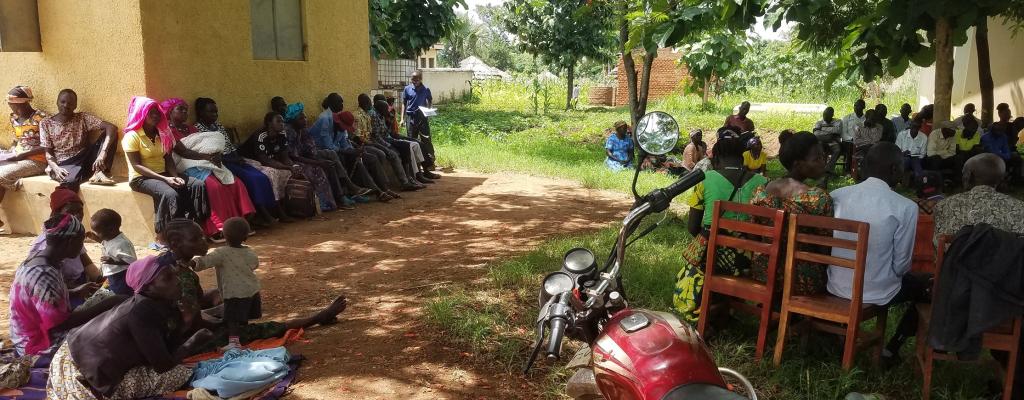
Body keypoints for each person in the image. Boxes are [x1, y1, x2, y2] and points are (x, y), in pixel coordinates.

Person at [161, 219, 348, 348]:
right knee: (252, 329)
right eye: (196, 239)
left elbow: (186, 307)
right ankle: (317, 318)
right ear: (176, 243)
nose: (204, 243)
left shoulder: (167, 263)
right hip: (184, 338)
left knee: (224, 299)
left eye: (203, 236)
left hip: (171, 326)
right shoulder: (182, 277)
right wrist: (219, 323)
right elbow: (191, 322)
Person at [47, 255, 214, 399]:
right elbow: (163, 365)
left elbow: (163, 349)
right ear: (148, 287)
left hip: (71, 353)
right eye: (168, 278)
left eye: (175, 275)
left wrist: (185, 324)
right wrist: (193, 342)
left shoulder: (143, 303)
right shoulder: (142, 312)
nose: (177, 281)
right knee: (177, 374)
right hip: (77, 372)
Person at [827, 143, 925, 366]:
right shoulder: (905, 207)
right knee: (927, 287)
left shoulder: (837, 195)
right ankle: (892, 350)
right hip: (875, 292)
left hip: (834, 284)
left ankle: (839, 337)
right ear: (894, 170)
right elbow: (901, 266)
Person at [673, 136, 768, 322]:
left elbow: (692, 227)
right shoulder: (763, 182)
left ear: (715, 159)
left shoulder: (705, 179)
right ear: (742, 157)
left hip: (714, 256)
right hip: (750, 259)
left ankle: (708, 306)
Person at [9, 214, 124, 357]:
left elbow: (40, 297)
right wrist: (109, 303)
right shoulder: (43, 273)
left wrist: (74, 291)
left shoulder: (41, 260)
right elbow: (60, 324)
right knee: (113, 334)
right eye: (81, 241)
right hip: (39, 343)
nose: (82, 246)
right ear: (70, 242)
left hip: (33, 334)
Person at [160, 98, 256, 242]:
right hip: (186, 165)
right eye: (180, 109)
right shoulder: (167, 131)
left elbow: (207, 145)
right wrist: (207, 157)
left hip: (205, 162)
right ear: (169, 112)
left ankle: (238, 224)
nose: (185, 112)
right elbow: (183, 152)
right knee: (214, 187)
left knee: (234, 182)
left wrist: (214, 155)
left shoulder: (192, 129)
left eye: (186, 109)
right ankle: (217, 228)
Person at [750, 132, 832, 295]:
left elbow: (754, 235)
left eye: (823, 157)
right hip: (802, 279)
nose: (823, 162)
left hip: (764, 271)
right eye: (817, 158)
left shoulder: (760, 192)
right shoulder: (817, 198)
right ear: (797, 164)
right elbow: (825, 248)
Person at [122, 96, 209, 238]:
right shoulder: (132, 136)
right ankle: (167, 235)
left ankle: (193, 225)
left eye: (158, 112)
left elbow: (168, 158)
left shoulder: (163, 133)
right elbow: (136, 165)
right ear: (141, 113)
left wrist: (174, 176)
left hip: (164, 174)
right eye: (151, 113)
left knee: (197, 185)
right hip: (141, 178)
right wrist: (165, 179)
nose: (156, 116)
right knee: (170, 194)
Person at [195, 97, 286, 226]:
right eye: (211, 112)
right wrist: (232, 159)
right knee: (252, 180)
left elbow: (229, 146)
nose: (215, 115)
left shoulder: (218, 126)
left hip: (234, 158)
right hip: (221, 162)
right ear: (201, 113)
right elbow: (209, 153)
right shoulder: (198, 129)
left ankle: (269, 212)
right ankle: (263, 214)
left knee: (262, 177)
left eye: (216, 112)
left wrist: (238, 157)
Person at [194, 218, 262, 350]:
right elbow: (254, 264)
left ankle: (234, 342)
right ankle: (243, 334)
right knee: (242, 315)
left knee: (232, 318)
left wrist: (193, 263)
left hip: (234, 292)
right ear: (246, 237)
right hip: (251, 289)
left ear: (223, 235)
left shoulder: (221, 253)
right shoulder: (249, 252)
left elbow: (206, 261)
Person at [934, 153, 1024, 240]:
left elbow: (937, 243)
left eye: (963, 173)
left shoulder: (944, 206)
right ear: (1001, 178)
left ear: (969, 176)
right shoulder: (1019, 207)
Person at [39, 89, 118, 185]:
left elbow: (111, 127)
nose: (66, 105)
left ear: (75, 105)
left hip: (85, 157)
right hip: (65, 162)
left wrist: (103, 153)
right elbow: (48, 153)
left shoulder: (82, 118)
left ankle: (100, 173)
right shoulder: (46, 123)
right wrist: (55, 168)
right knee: (69, 181)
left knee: (111, 134)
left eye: (70, 103)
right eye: (62, 102)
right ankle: (89, 174)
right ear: (57, 102)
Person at [27, 187, 101, 289]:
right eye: (71, 211)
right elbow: (53, 285)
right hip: (64, 287)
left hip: (80, 283)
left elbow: (88, 264)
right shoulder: (45, 248)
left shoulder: (74, 236)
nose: (77, 216)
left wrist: (101, 281)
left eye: (80, 211)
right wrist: (78, 290)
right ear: (56, 214)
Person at [2, 86, 48, 232]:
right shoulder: (14, 118)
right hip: (17, 157)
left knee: (1, 175)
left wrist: (22, 155)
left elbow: (48, 145)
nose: (12, 108)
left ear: (24, 103)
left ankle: (12, 181)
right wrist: (9, 152)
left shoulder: (41, 118)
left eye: (14, 105)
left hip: (37, 160)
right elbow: (17, 140)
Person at [354, 94, 423, 191]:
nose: (371, 104)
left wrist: (389, 122)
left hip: (377, 140)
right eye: (369, 102)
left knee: (405, 148)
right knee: (391, 154)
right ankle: (400, 183)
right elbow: (373, 136)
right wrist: (386, 146)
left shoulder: (372, 115)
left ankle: (410, 178)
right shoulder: (367, 115)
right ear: (365, 103)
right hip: (370, 142)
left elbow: (385, 132)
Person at [281, 106, 340, 211]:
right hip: (289, 161)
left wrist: (319, 161)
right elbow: (293, 156)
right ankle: (319, 204)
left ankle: (335, 199)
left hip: (302, 158)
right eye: (301, 118)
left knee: (329, 164)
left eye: (305, 117)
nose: (305, 120)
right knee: (315, 170)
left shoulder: (302, 131)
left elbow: (310, 150)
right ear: (292, 120)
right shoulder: (289, 132)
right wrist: (318, 163)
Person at [336, 110, 400, 201]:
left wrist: (356, 147)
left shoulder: (342, 130)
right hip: (339, 155)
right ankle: (378, 192)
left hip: (349, 151)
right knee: (359, 163)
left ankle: (385, 188)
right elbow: (333, 148)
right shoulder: (330, 128)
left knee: (372, 158)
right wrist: (352, 151)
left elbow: (346, 143)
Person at [373, 97, 432, 184]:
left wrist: (389, 122)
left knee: (417, 143)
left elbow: (387, 131)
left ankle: (421, 173)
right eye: (386, 107)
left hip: (391, 136)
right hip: (388, 138)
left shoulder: (383, 115)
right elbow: (378, 135)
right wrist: (388, 145)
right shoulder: (376, 116)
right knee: (408, 146)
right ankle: (411, 177)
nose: (388, 108)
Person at [87, 209, 136, 296]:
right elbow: (107, 244)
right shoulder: (109, 238)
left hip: (121, 275)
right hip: (112, 274)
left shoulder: (123, 243)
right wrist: (96, 238)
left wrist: (114, 261)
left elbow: (132, 261)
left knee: (121, 293)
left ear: (111, 230)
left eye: (98, 232)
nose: (96, 234)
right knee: (112, 289)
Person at [403, 70, 441, 176]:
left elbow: (430, 100)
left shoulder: (425, 89)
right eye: (412, 79)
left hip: (422, 117)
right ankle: (415, 164)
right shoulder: (407, 89)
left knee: (426, 139)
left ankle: (430, 162)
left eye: (416, 79)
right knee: (412, 140)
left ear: (420, 79)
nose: (414, 81)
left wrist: (428, 110)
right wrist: (402, 118)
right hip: (410, 117)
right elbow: (404, 104)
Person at [839, 99, 867, 174]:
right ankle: (848, 170)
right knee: (850, 147)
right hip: (848, 141)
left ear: (863, 107)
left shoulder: (866, 119)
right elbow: (843, 133)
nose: (856, 107)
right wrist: (851, 139)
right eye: (855, 105)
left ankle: (863, 171)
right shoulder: (847, 118)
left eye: (859, 105)